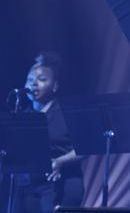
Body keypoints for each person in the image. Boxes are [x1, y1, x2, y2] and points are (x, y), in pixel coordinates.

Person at [11, 52, 84, 212]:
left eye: (41, 79)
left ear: (55, 85)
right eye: (30, 80)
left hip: (61, 183)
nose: (34, 84)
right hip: (27, 186)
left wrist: (61, 161)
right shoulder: (24, 115)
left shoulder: (66, 113)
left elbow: (85, 147)